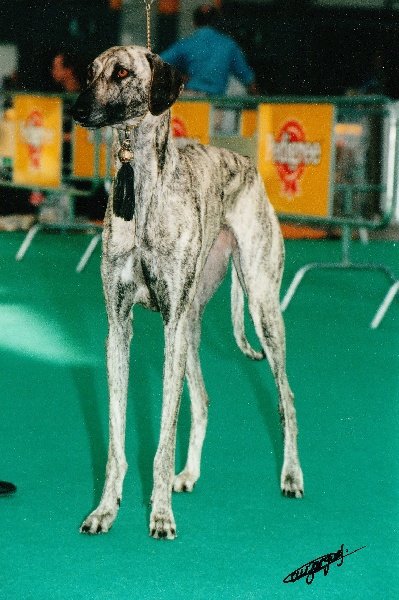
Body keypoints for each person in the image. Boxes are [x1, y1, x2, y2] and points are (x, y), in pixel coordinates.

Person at [160, 4, 257, 96]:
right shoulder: (229, 44)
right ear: (217, 21)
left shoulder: (186, 43)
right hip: (217, 103)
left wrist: (178, 79)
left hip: (191, 100)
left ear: (194, 22)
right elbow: (248, 78)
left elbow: (158, 63)